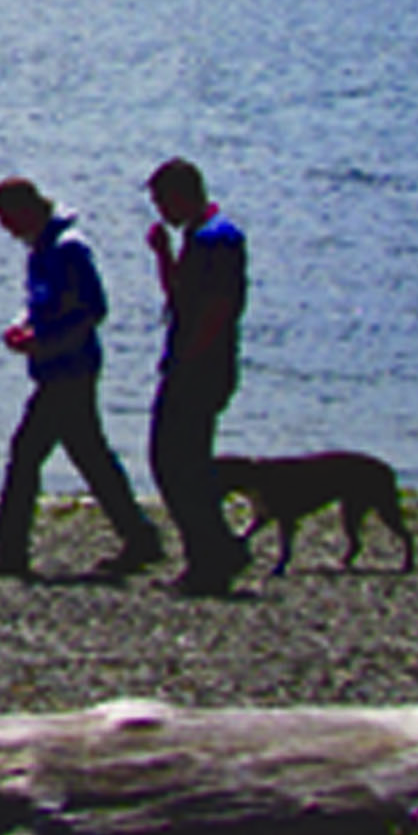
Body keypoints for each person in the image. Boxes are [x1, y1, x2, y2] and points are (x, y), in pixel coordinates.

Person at [0, 178, 164, 579]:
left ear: (27, 209)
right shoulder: (40, 249)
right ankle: (140, 536)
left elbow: (93, 310)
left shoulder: (68, 248)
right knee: (89, 454)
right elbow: (38, 302)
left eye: (7, 218)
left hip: (70, 368)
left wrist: (45, 342)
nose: (5, 229)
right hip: (54, 368)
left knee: (27, 453)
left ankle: (11, 549)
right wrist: (22, 326)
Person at [146, 156, 254, 596]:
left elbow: (217, 307)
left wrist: (191, 359)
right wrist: (163, 257)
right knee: (177, 462)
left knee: (177, 463)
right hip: (192, 363)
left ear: (180, 194)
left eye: (160, 201)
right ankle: (212, 550)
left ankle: (213, 555)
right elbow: (182, 297)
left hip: (200, 367)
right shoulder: (196, 237)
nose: (159, 211)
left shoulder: (217, 239)